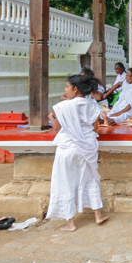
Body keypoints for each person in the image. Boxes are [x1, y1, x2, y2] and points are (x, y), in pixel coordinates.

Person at [46, 74, 108, 231]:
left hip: (67, 148)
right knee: (90, 179)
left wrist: (51, 117)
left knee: (64, 182)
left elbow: (57, 128)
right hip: (86, 147)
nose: (65, 89)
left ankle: (71, 223)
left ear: (75, 88)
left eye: (67, 86)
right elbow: (95, 128)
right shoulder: (93, 105)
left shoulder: (63, 107)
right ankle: (98, 215)